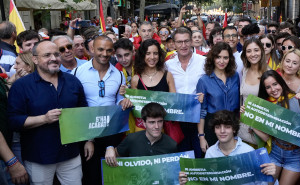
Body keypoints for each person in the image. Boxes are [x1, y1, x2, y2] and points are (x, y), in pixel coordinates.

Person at [7, 40, 90, 185]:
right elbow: (14, 121)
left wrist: (89, 140)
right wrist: (44, 119)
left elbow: (84, 113)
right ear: (35, 59)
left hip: (70, 154)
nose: (54, 58)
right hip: (39, 157)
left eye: (56, 54)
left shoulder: (73, 82)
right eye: (47, 55)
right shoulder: (21, 86)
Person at [73, 35, 132, 185]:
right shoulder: (78, 72)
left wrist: (124, 101)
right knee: (91, 176)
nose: (104, 54)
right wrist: (88, 139)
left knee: (111, 177)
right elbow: (77, 106)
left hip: (110, 133)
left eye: (108, 50)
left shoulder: (118, 75)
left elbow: (119, 102)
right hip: (87, 133)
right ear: (92, 49)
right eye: (100, 49)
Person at [257, 70, 300, 185]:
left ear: (281, 83)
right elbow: (265, 137)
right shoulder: (266, 105)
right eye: (268, 87)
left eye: (275, 84)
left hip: (295, 155)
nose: (273, 89)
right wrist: (248, 116)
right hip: (275, 152)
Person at [179, 110, 276, 185]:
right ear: (214, 130)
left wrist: (270, 173)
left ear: (234, 129)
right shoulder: (210, 153)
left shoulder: (249, 151)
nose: (222, 131)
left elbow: (261, 182)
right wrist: (187, 181)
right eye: (218, 127)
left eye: (227, 127)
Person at [166, 27, 206, 158]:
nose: (183, 45)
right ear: (174, 43)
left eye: (186, 41)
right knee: (180, 159)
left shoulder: (203, 62)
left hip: (199, 120)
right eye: (179, 42)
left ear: (191, 42)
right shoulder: (168, 65)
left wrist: (206, 95)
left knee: (199, 158)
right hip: (177, 121)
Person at [196, 42, 240, 153]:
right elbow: (201, 111)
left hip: (233, 125)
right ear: (213, 58)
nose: (222, 61)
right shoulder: (204, 81)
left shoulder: (235, 76)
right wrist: (201, 136)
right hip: (213, 126)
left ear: (230, 59)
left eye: (225, 58)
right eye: (218, 57)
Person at [105, 102, 177, 164]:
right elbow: (115, 155)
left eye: (160, 121)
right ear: (144, 123)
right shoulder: (131, 139)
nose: (157, 126)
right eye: (152, 122)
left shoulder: (171, 144)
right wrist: (110, 148)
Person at [238, 38, 269, 145]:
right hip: (242, 129)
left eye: (256, 50)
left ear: (261, 51)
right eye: (249, 51)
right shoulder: (244, 70)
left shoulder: (268, 73)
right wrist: (240, 108)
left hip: (259, 131)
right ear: (245, 54)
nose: (253, 54)